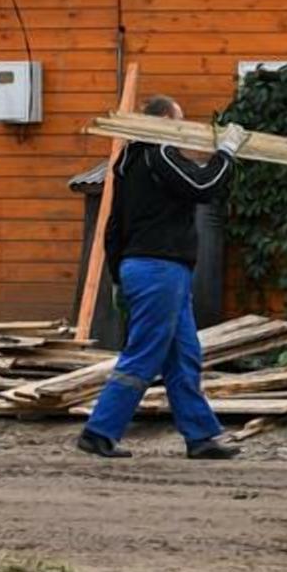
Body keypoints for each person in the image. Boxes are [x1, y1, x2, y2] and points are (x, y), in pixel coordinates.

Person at [77, 97, 247, 460]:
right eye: (180, 123)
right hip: (160, 268)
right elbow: (204, 187)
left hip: (146, 268)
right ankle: (99, 430)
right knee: (144, 352)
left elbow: (113, 225)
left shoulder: (126, 163)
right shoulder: (159, 153)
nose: (183, 132)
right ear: (165, 122)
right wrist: (227, 153)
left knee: (184, 354)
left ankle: (200, 436)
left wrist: (119, 274)